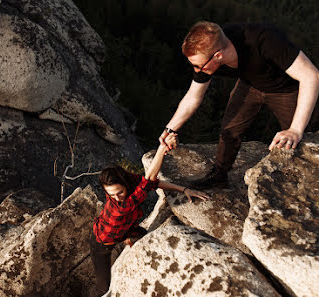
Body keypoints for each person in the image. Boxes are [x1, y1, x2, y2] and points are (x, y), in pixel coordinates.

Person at [159, 21, 319, 189]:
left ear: (218, 56)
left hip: (286, 89)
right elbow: (193, 96)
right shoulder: (206, 57)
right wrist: (170, 129)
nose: (196, 70)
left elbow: (311, 76)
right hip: (250, 84)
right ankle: (219, 175)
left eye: (198, 66)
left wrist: (295, 129)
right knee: (229, 130)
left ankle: (303, 184)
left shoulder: (264, 40)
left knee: (298, 140)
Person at [89, 134, 210, 295]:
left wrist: (184, 189)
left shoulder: (129, 180)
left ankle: (128, 239)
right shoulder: (121, 207)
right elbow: (148, 181)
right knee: (103, 287)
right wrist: (162, 149)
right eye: (111, 195)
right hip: (101, 243)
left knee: (149, 240)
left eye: (119, 192)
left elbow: (154, 183)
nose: (116, 197)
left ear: (125, 182)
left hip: (126, 229)